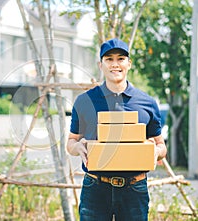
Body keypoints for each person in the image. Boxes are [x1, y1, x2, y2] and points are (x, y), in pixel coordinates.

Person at [66, 38, 167, 221]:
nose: (115, 64)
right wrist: (77, 148)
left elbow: (161, 145)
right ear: (101, 64)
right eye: (109, 59)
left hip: (134, 189)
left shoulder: (147, 103)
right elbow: (71, 142)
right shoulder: (84, 101)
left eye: (120, 59)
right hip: (95, 187)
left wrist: (155, 152)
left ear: (129, 63)